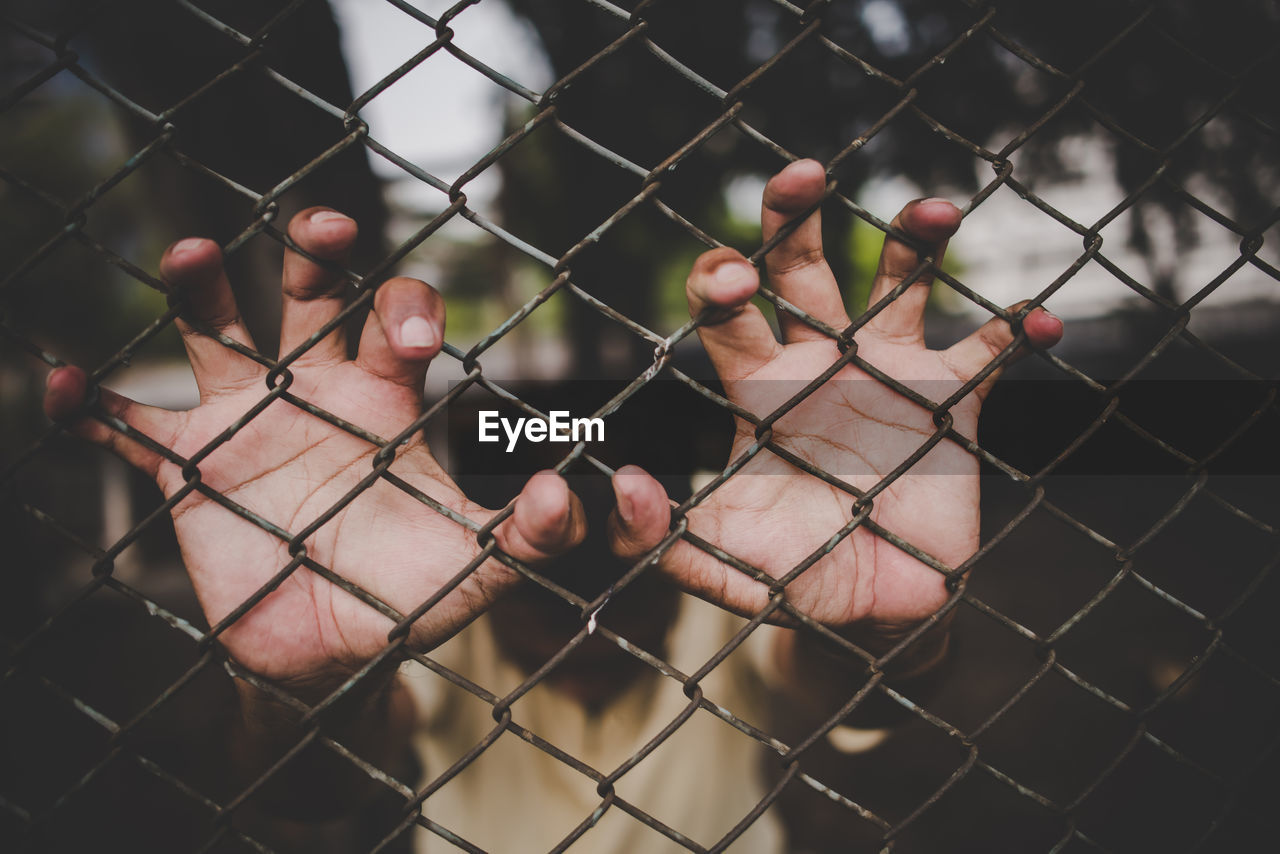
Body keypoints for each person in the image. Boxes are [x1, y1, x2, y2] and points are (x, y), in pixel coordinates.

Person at [43, 159, 1062, 852]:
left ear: (669, 544)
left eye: (622, 594)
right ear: (493, 571)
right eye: (544, 599)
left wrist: (880, 627)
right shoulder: (428, 589)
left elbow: (842, 688)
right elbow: (314, 793)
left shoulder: (732, 566)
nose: (588, 629)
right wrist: (308, 690)